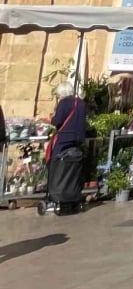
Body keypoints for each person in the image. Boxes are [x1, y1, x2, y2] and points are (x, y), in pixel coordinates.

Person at [44, 81, 88, 215]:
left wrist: (50, 119)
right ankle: (71, 195)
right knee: (73, 168)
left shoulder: (63, 103)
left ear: (61, 94)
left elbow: (57, 121)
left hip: (63, 140)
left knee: (55, 165)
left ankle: (55, 195)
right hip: (77, 140)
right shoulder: (81, 103)